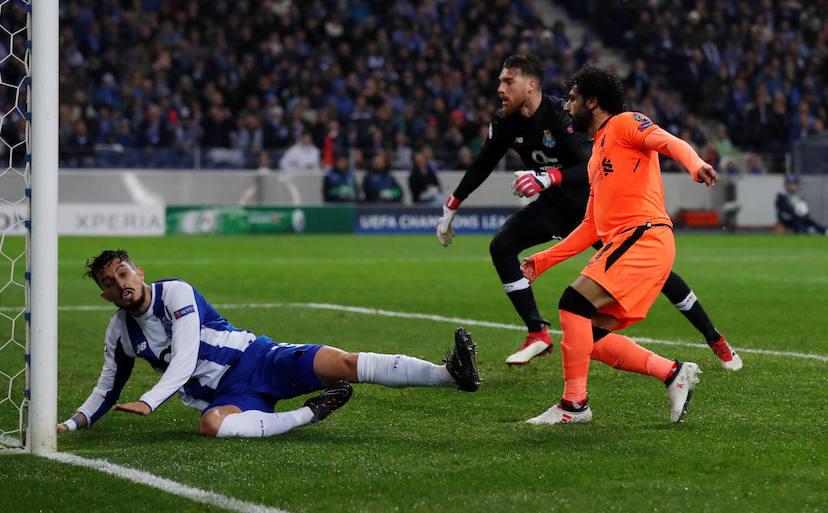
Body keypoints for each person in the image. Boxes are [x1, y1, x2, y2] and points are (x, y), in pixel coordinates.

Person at [435, 54, 741, 370]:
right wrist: (452, 205)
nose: (500, 88)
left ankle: (712, 339)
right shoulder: (516, 125)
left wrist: (697, 165)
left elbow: (661, 143)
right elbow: (485, 163)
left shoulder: (593, 120)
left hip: (617, 219)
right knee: (507, 252)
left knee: (643, 283)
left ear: (532, 84)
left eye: (507, 80)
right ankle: (540, 335)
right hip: (566, 208)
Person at [57, 250, 481, 438]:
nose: (120, 283)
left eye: (124, 273)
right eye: (110, 282)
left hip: (258, 359)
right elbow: (107, 387)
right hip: (228, 397)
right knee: (211, 426)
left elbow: (184, 358)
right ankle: (307, 415)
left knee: (346, 363)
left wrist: (150, 400)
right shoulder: (119, 333)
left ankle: (450, 374)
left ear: (140, 272)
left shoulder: (176, 293)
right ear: (105, 295)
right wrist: (72, 423)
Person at [519, 66, 714, 424]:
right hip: (631, 242)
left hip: (645, 236)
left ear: (592, 102)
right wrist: (542, 261)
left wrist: (695, 163)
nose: (566, 107)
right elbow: (591, 226)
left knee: (572, 304)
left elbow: (670, 142)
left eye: (573, 98)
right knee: (589, 337)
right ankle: (673, 373)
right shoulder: (596, 155)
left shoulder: (626, 123)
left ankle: (574, 405)